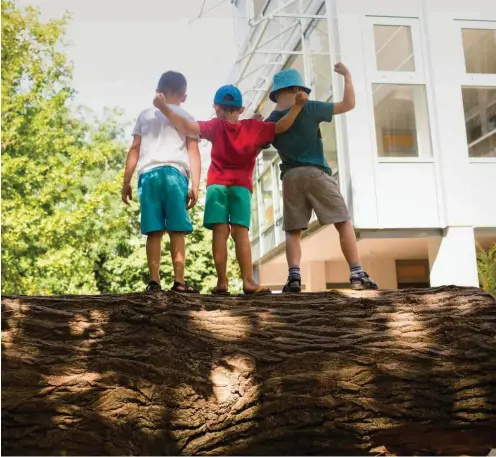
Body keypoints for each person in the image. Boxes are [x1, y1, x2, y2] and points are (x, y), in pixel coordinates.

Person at [153, 84, 308, 295]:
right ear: (241, 109)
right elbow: (281, 126)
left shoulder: (216, 126)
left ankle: (222, 283)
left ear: (217, 108)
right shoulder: (254, 128)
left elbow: (186, 126)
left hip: (217, 186)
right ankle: (248, 282)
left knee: (220, 232)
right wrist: (297, 107)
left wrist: (163, 108)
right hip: (241, 187)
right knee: (240, 232)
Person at [262, 64, 378, 292]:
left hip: (291, 178)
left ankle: (294, 277)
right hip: (316, 173)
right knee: (343, 221)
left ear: (276, 94)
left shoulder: (271, 119)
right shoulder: (310, 108)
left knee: (293, 231)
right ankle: (357, 274)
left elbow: (261, 142)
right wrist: (347, 76)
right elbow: (348, 104)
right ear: (297, 90)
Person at [122, 71, 201, 293]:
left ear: (159, 91)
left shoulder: (145, 115)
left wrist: (126, 182)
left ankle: (154, 282)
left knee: (154, 230)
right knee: (177, 229)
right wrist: (195, 184)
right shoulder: (187, 117)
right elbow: (193, 152)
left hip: (149, 176)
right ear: (183, 96)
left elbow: (134, 148)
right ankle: (179, 282)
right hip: (176, 175)